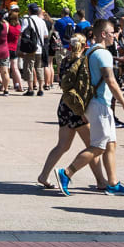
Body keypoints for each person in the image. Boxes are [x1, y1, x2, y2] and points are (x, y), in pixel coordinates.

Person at [56, 19, 124, 197]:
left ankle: (113, 183)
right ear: (103, 34)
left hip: (97, 103)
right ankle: (66, 173)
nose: (115, 35)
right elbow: (111, 81)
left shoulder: (90, 51)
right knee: (98, 146)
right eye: (112, 32)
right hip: (100, 104)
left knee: (110, 144)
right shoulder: (103, 54)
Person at [38, 35, 108, 191]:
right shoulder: (83, 62)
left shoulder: (64, 61)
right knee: (93, 146)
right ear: (84, 46)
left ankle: (43, 175)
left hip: (64, 105)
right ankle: (101, 182)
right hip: (77, 108)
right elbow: (83, 88)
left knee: (62, 145)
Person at [20, 4, 49, 96]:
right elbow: (46, 35)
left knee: (29, 68)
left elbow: (22, 33)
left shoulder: (27, 20)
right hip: (40, 48)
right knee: (39, 68)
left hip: (30, 48)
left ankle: (31, 89)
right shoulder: (42, 21)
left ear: (29, 11)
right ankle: (40, 89)